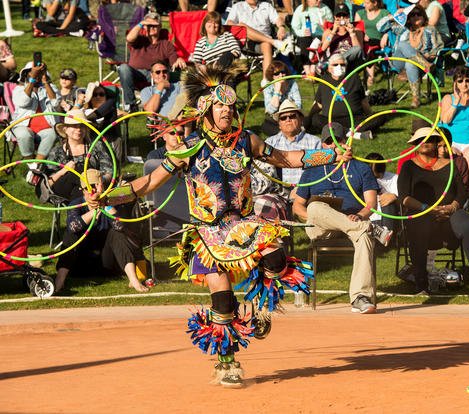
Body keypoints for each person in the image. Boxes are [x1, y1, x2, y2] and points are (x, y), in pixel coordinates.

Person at [94, 63, 352, 387]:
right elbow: (145, 183)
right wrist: (106, 198)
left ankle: (258, 307)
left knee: (276, 260)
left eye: (230, 106)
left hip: (243, 223)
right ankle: (226, 362)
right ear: (205, 110)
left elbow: (289, 159)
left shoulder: (248, 141)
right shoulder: (189, 149)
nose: (227, 111)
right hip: (207, 233)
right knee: (223, 300)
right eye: (220, 105)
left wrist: (330, 155)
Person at [293, 122, 393, 315]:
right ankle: (370, 227)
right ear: (322, 145)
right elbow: (298, 206)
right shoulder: (312, 169)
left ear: (345, 142)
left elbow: (371, 203)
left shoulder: (361, 168)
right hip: (319, 226)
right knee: (314, 206)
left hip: (354, 223)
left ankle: (360, 297)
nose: (333, 145)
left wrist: (361, 217)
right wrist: (313, 217)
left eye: (337, 140)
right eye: (328, 142)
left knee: (363, 235)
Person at [397, 126, 469, 295]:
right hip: (423, 214)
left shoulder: (451, 165)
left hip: (449, 214)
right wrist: (427, 208)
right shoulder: (409, 166)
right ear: (415, 144)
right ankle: (421, 283)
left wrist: (453, 206)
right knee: (419, 226)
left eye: (429, 139)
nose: (424, 143)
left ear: (436, 142)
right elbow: (404, 197)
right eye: (420, 140)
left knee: (468, 225)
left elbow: (461, 193)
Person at [54, 169, 148, 294]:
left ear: (102, 186)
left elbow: (120, 226)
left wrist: (105, 205)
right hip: (81, 263)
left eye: (95, 186)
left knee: (117, 233)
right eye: (88, 187)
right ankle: (59, 281)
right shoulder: (76, 205)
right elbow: (73, 227)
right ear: (82, 190)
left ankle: (134, 280)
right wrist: (94, 210)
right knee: (71, 234)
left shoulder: (112, 202)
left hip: (108, 262)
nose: (92, 191)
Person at [119, 12, 186, 111]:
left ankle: (173, 104)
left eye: (155, 25)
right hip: (137, 74)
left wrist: (178, 60)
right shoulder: (139, 40)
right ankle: (130, 105)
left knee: (178, 75)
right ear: (145, 27)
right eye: (149, 25)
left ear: (160, 27)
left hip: (159, 74)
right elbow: (129, 38)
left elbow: (174, 63)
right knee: (123, 68)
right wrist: (142, 23)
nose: (152, 27)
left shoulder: (166, 44)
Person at [45, 109, 113, 201]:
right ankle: (89, 205)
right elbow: (47, 183)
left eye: (82, 126)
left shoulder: (96, 146)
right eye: (74, 126)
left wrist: (97, 179)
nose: (79, 129)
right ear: (65, 129)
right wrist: (64, 171)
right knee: (76, 173)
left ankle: (81, 210)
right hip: (65, 190)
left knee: (85, 179)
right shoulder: (57, 151)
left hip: (95, 188)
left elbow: (109, 172)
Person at [305, 53, 377, 134]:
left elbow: (363, 101)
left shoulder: (354, 77)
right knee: (316, 119)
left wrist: (371, 115)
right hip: (332, 121)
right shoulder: (324, 80)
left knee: (378, 117)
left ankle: (343, 131)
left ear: (346, 66)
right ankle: (352, 133)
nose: (339, 67)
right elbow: (318, 104)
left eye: (342, 64)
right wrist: (309, 118)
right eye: (335, 65)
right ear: (329, 67)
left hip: (354, 119)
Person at [389, 5, 444, 108]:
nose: (416, 16)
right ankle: (426, 65)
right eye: (412, 15)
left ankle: (416, 99)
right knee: (402, 45)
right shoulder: (402, 30)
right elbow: (381, 26)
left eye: (419, 14)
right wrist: (395, 16)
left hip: (417, 65)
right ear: (408, 18)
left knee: (410, 64)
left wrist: (430, 55)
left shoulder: (430, 29)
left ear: (423, 16)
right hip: (399, 62)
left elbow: (438, 47)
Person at [226, 0, 293, 83]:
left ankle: (266, 80)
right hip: (247, 43)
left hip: (264, 42)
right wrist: (234, 24)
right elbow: (229, 23)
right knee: (242, 26)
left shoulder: (266, 6)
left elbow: (277, 19)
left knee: (266, 44)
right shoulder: (237, 6)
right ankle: (274, 42)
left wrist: (281, 27)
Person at [440, 66, 469, 177]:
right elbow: (445, 120)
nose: (464, 84)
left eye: (467, 80)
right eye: (460, 81)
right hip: (452, 141)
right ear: (455, 83)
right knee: (449, 152)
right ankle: (451, 186)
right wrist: (456, 102)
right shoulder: (448, 98)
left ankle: (463, 188)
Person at [265, 99, 322, 187]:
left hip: (307, 191)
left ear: (301, 119)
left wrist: (302, 192)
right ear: (279, 124)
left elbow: (319, 174)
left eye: (292, 116)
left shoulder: (315, 143)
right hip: (277, 192)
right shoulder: (270, 143)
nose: (288, 120)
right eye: (283, 118)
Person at [12, 62, 58, 161]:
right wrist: (32, 80)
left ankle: (36, 166)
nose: (36, 74)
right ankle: (31, 164)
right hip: (23, 126)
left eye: (39, 72)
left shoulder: (51, 88)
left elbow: (56, 103)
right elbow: (23, 102)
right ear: (25, 74)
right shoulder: (19, 89)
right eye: (32, 72)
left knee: (52, 134)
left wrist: (46, 83)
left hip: (46, 129)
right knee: (24, 135)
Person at [73, 82, 123, 162]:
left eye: (101, 94)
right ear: (90, 98)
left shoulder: (110, 106)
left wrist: (82, 117)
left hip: (109, 142)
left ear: (106, 96)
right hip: (89, 143)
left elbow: (96, 114)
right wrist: (79, 103)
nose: (98, 97)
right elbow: (70, 119)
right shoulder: (84, 111)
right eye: (95, 94)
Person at [291, 0, 334, 76]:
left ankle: (313, 69)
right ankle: (307, 70)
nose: (319, 0)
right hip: (305, 36)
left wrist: (325, 25)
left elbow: (332, 27)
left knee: (318, 41)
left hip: (321, 36)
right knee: (305, 40)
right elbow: (294, 28)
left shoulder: (325, 9)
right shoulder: (300, 9)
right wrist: (302, 32)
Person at [354, 0, 390, 88]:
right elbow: (356, 28)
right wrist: (363, 34)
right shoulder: (360, 13)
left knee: (371, 48)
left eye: (367, 3)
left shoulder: (384, 13)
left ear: (375, 3)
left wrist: (386, 35)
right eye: (364, 2)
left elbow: (392, 25)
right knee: (364, 47)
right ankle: (359, 76)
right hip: (361, 40)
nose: (364, 5)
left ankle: (370, 77)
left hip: (378, 40)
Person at [262, 62, 302, 136]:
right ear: (272, 76)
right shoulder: (268, 87)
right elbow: (270, 110)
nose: (281, 75)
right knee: (266, 126)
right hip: (275, 119)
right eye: (277, 74)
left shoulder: (292, 83)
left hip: (291, 116)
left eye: (283, 72)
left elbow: (299, 105)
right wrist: (277, 92)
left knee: (304, 121)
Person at [320, 3, 364, 68]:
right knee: (335, 59)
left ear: (349, 16)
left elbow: (359, 51)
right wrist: (333, 32)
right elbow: (323, 48)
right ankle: (336, 62)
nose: (342, 18)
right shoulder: (329, 32)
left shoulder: (357, 31)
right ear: (334, 17)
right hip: (333, 60)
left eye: (344, 16)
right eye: (339, 16)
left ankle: (336, 61)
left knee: (357, 49)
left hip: (350, 62)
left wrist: (352, 34)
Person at [366, 152, 399, 236]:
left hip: (387, 214)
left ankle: (385, 234)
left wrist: (395, 197)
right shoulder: (361, 180)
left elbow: (403, 201)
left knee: (388, 201)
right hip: (369, 214)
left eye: (377, 177)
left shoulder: (394, 179)